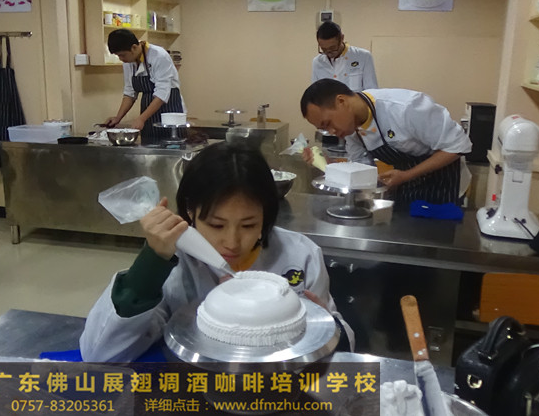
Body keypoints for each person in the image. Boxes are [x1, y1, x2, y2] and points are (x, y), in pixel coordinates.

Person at [80, 143, 354, 362]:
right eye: (216, 225)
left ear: (267, 214)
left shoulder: (300, 255)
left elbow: (341, 346)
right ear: (190, 210)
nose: (232, 242)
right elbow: (100, 354)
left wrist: (326, 330)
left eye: (249, 225)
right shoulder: (174, 262)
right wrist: (150, 265)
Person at [300, 79, 472, 208]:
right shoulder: (352, 130)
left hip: (443, 184)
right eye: (324, 129)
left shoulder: (405, 107)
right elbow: (362, 170)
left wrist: (407, 175)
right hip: (405, 186)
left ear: (342, 101)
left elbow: (458, 146)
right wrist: (329, 165)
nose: (331, 132)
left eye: (328, 124)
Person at [104, 29, 185, 143]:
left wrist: (141, 118)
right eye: (118, 56)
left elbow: (162, 93)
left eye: (122, 55)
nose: (121, 59)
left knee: (171, 145)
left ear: (134, 47)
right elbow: (130, 93)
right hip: (148, 111)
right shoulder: (129, 62)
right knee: (149, 147)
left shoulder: (159, 55)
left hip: (169, 110)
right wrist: (118, 118)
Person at [312, 21, 377, 93]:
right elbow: (315, 93)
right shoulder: (317, 62)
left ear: (342, 38)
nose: (329, 53)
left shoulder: (363, 57)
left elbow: (371, 92)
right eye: (324, 49)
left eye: (332, 48)